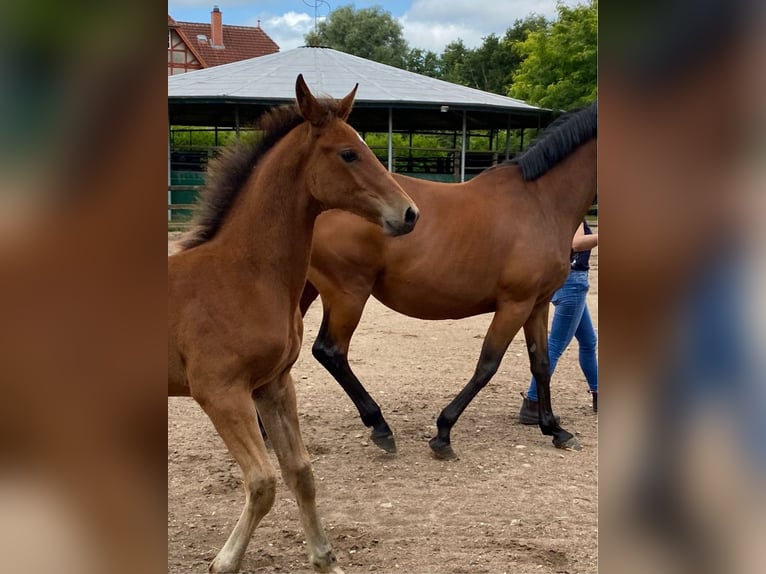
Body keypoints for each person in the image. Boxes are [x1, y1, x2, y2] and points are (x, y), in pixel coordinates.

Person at [519, 220, 598, 424]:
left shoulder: (557, 213)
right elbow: (576, 243)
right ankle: (533, 403)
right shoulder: (573, 216)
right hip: (573, 284)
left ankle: (599, 392)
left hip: (571, 283)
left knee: (588, 341)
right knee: (555, 345)